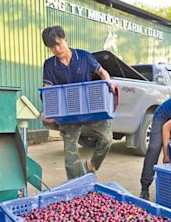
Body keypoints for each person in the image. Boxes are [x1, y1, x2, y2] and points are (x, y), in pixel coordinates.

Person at [40, 26, 115, 180]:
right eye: (52, 47)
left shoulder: (84, 57)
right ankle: (75, 185)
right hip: (68, 114)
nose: (57, 49)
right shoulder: (49, 65)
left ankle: (91, 166)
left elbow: (102, 72)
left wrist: (108, 83)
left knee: (107, 139)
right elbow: (48, 89)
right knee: (70, 152)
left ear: (65, 39)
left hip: (90, 109)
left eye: (59, 44)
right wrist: (48, 109)